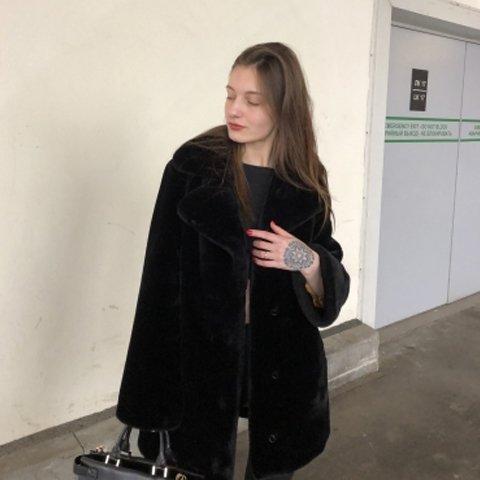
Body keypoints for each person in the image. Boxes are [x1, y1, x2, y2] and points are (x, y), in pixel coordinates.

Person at [116, 42, 350, 480]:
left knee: (273, 467)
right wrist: (146, 400)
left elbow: (329, 270)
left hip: (282, 362)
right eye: (230, 95)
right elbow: (157, 284)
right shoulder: (191, 169)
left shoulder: (305, 177)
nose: (234, 109)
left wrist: (305, 259)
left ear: (284, 108)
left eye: (252, 100)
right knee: (196, 466)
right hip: (201, 363)